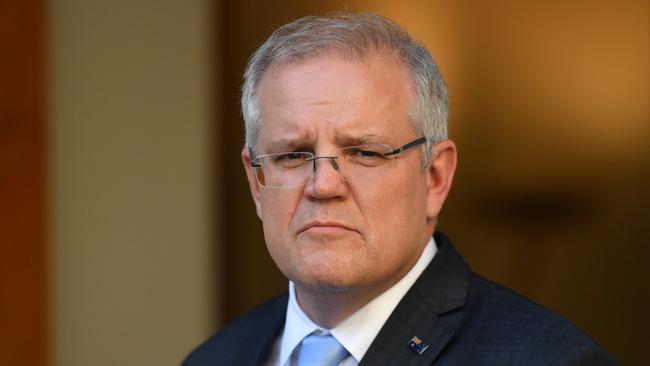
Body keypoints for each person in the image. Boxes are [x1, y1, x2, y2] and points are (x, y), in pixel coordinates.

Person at [184, 12, 616, 366]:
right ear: (256, 183)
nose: (324, 184)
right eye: (293, 155)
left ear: (435, 178)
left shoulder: (548, 360)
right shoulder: (213, 358)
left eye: (365, 153)